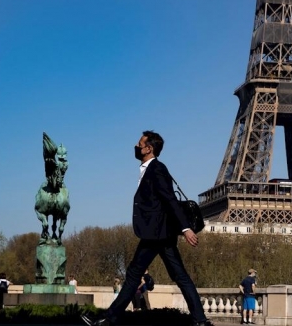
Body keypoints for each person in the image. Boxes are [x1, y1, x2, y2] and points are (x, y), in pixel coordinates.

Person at [82, 131, 214, 326]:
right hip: (159, 233)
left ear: (148, 148)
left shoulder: (157, 169)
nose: (136, 145)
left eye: (139, 142)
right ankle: (200, 320)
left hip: (156, 233)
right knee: (179, 276)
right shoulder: (150, 169)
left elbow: (170, 199)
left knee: (135, 275)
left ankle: (109, 319)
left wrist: (186, 228)